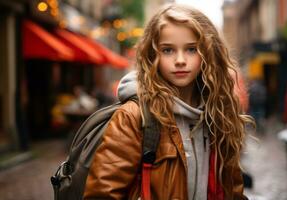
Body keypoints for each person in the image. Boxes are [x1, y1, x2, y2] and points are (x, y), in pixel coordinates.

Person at [84, 4, 251, 200]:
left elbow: (233, 190)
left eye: (191, 49)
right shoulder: (133, 117)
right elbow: (102, 194)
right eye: (168, 50)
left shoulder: (219, 113)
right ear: (153, 54)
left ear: (207, 52)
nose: (180, 60)